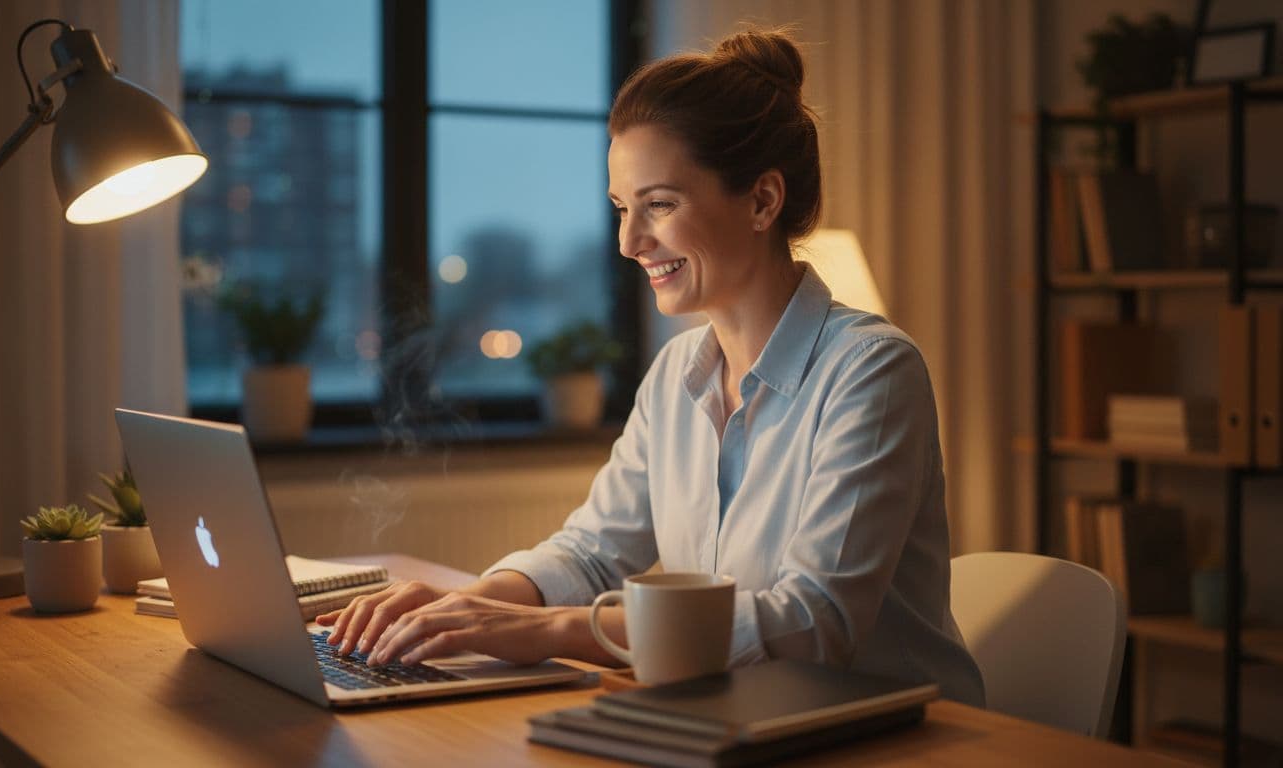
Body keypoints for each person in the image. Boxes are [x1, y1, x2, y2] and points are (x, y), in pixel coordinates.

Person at [319, 28, 985, 705]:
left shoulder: (870, 371)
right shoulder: (675, 376)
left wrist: (542, 628)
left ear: (762, 201)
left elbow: (816, 624)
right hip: (744, 717)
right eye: (621, 208)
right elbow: (593, 552)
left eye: (659, 204)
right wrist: (469, 605)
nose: (629, 241)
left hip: (893, 736)